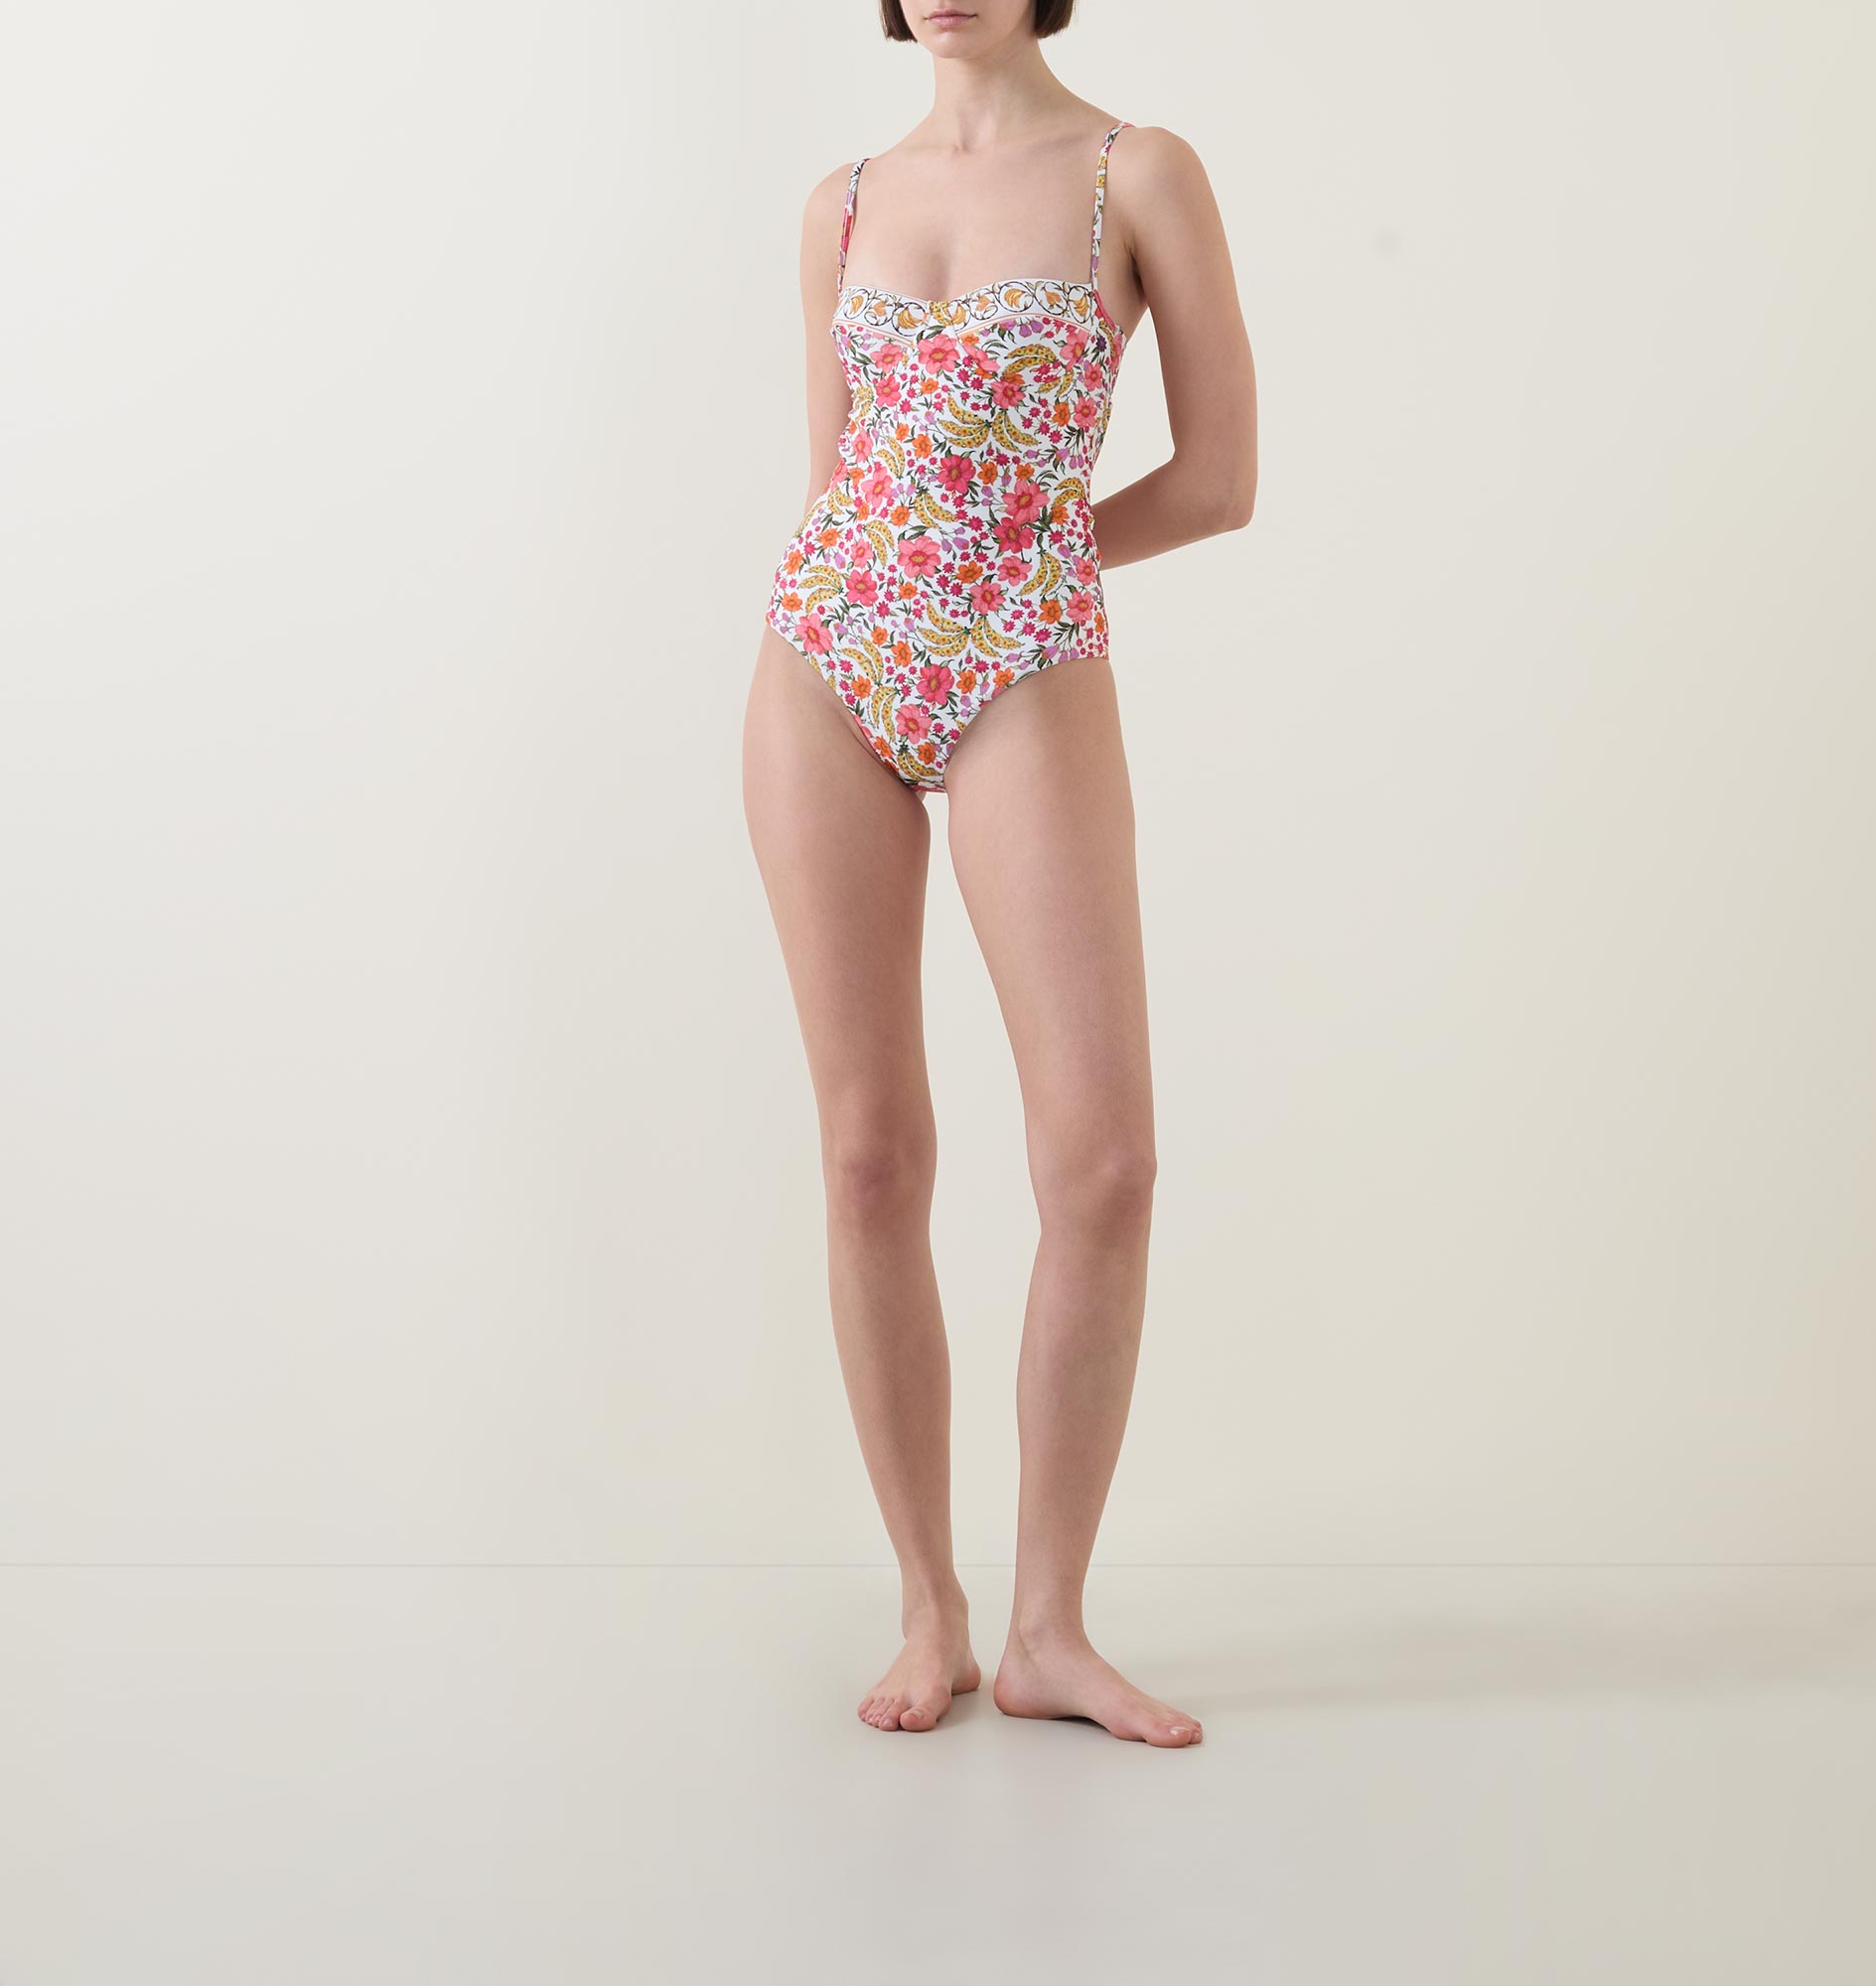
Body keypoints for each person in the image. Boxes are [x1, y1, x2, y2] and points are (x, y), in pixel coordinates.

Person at [741, 0, 1256, 1745]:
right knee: (870, 1151)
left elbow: (1221, 480)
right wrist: (911, 575)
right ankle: (931, 1606)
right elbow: (838, 487)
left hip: (1025, 653)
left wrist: (1020, 556)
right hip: (825, 662)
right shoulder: (839, 203)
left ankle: (1049, 1627)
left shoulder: (1138, 172)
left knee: (1101, 1162)